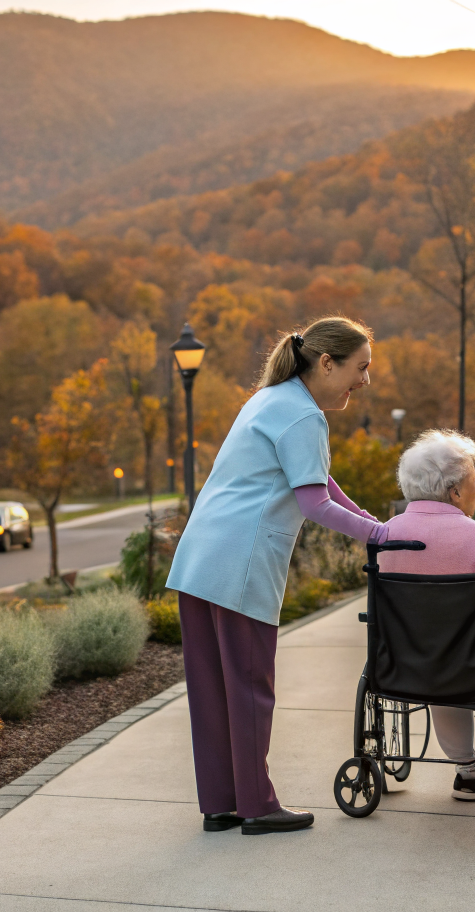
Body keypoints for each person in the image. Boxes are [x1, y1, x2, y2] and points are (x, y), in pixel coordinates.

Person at [166, 316, 387, 835]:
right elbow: (313, 503)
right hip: (240, 563)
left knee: (212, 688)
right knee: (248, 687)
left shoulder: (270, 399)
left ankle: (222, 802)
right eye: (361, 368)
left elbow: (320, 481)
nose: (365, 381)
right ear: (327, 363)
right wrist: (379, 537)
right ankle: (258, 806)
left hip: (200, 558)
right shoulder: (304, 416)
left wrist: (372, 522)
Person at [377, 428, 475, 801]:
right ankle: (466, 772)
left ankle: (467, 766)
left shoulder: (385, 534)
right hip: (467, 668)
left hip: (399, 664)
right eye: (474, 479)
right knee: (455, 661)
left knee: (437, 660)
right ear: (455, 491)